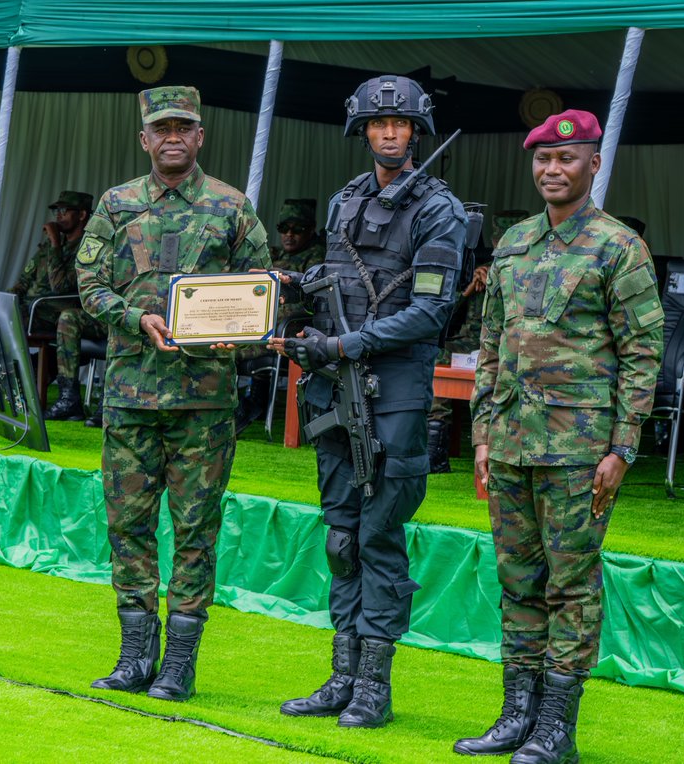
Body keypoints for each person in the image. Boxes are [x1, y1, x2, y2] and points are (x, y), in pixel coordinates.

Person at [459, 110, 663, 763]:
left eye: (566, 159)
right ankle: (515, 716)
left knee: (569, 585)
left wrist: (622, 446)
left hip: (579, 449)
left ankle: (555, 729)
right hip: (512, 444)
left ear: (593, 165)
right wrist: (483, 434)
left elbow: (641, 352)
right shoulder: (513, 242)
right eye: (543, 159)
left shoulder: (616, 246)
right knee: (517, 579)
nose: (552, 170)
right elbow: (489, 345)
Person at [269, 74, 467, 728]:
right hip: (333, 386)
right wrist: (292, 289)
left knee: (379, 538)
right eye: (378, 126)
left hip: (396, 392)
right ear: (363, 131)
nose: (388, 134)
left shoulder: (439, 209)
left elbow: (430, 312)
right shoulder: (343, 201)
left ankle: (373, 689)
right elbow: (333, 281)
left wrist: (347, 345)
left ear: (416, 132)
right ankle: (340, 676)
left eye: (400, 125)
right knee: (340, 538)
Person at [76, 86, 270, 701]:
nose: (172, 137)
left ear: (200, 136)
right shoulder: (116, 204)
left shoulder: (232, 208)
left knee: (195, 529)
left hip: (203, 403)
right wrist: (136, 319)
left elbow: (263, 298)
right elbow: (88, 283)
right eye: (161, 128)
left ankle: (179, 664)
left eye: (184, 127)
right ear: (144, 138)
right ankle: (135, 657)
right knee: (127, 526)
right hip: (130, 395)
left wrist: (235, 336)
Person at [426, 210, 527, 473]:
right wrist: (471, 285)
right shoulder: (478, 263)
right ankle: (435, 452)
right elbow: (446, 313)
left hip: (509, 346)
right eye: (498, 238)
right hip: (470, 343)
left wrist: (497, 282)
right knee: (436, 354)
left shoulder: (529, 267)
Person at [234, 198, 326, 434]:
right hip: (259, 327)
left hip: (286, 332)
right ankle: (242, 405)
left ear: (310, 230)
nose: (289, 235)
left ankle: (247, 405)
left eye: (297, 230)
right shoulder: (273, 254)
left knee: (235, 347)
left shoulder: (315, 260)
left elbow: (312, 301)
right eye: (283, 229)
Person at [10, 190, 92, 327]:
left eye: (64, 210)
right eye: (57, 211)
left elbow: (59, 287)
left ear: (82, 215)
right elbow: (24, 281)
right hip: (32, 308)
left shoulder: (88, 249)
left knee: (8, 322)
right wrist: (5, 301)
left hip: (55, 313)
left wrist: (55, 243)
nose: (59, 215)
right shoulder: (52, 244)